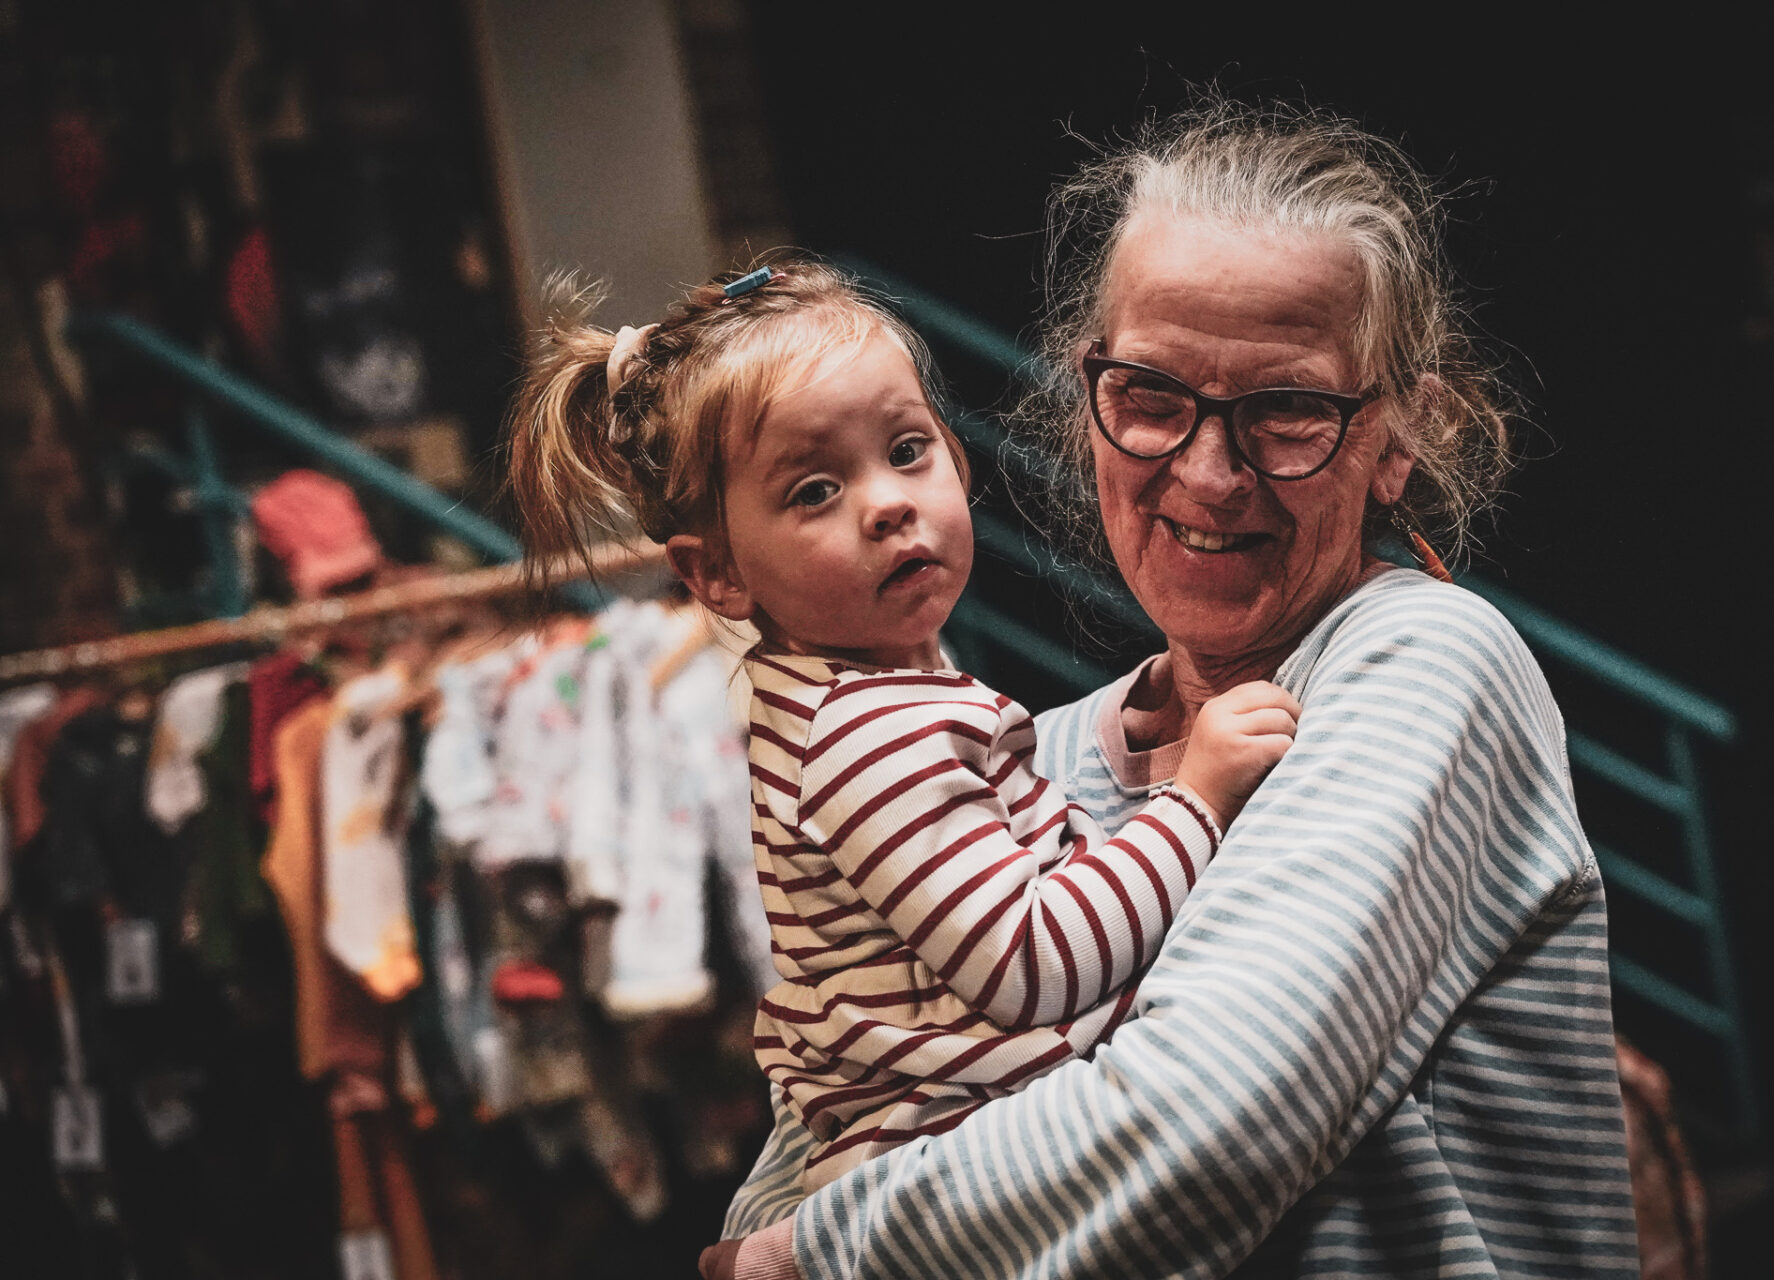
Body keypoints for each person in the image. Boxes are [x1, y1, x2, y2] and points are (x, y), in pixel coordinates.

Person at [704, 102, 1639, 1279]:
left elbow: (1211, 1116)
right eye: (1152, 396)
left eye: (1287, 409)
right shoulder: (1015, 758)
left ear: (1397, 436)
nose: (1207, 472)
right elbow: (819, 1125)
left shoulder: (1419, 663)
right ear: (1085, 395)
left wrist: (824, 1251)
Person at [505, 260, 1302, 1194]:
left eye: (908, 450)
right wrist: (1196, 797)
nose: (885, 503)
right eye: (813, 491)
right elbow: (1034, 965)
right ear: (718, 573)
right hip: (973, 1167)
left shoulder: (868, 698)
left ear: (956, 462)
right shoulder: (868, 739)